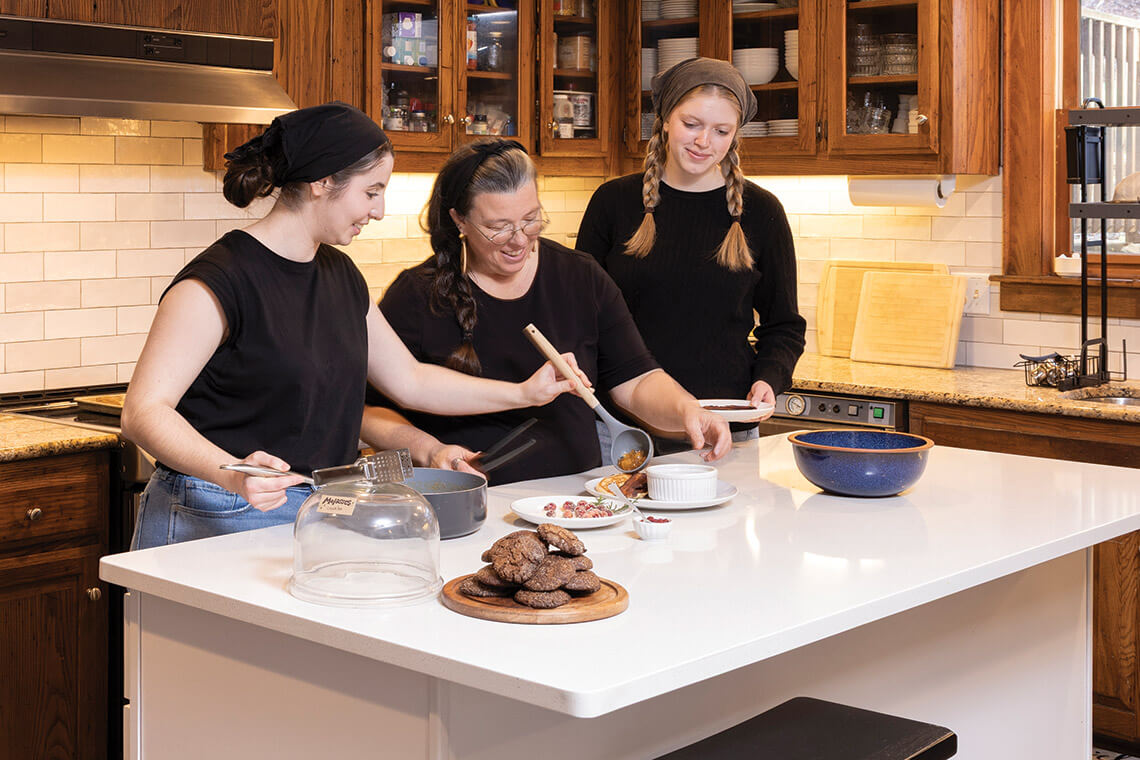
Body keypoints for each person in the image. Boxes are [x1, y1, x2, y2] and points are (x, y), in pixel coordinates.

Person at [122, 103, 582, 549]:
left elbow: (411, 379)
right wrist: (229, 470)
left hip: (314, 512)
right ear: (323, 182)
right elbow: (143, 412)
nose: (379, 210)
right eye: (372, 191)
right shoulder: (220, 280)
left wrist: (524, 392)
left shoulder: (339, 274)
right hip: (215, 513)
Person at [361, 138, 732, 485]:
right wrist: (429, 450)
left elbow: (635, 382)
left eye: (530, 219)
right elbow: (366, 412)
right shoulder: (417, 295)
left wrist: (688, 411)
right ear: (459, 220)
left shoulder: (580, 275)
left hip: (578, 501)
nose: (519, 239)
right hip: (475, 503)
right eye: (498, 227)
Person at [576, 57, 806, 450]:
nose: (704, 142)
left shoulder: (762, 212)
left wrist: (769, 377)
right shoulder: (613, 203)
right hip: (621, 430)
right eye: (691, 124)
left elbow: (783, 324)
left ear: (735, 135)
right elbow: (579, 314)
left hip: (725, 426)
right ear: (665, 118)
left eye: (721, 131)